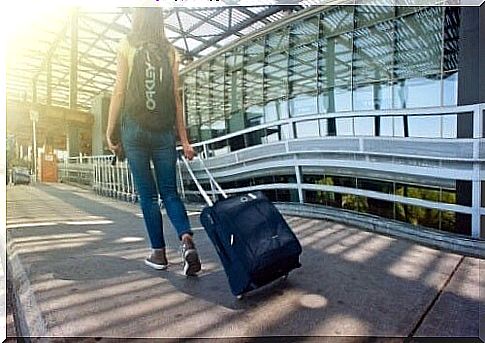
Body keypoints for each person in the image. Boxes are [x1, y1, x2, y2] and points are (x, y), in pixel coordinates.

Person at [106, 7, 201, 276]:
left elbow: (120, 90)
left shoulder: (127, 43)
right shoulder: (170, 51)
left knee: (148, 196)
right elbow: (175, 98)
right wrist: (184, 141)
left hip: (134, 129)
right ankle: (186, 240)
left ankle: (159, 254)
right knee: (170, 192)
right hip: (163, 132)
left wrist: (110, 130)